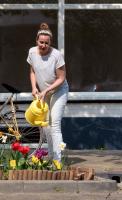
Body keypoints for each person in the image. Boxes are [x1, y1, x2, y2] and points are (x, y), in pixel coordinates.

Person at [27, 22, 69, 163]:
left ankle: (58, 160)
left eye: (46, 43)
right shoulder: (32, 52)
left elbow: (61, 78)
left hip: (58, 90)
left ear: (50, 42)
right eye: (41, 42)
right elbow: (32, 71)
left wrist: (45, 90)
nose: (43, 45)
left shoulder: (56, 55)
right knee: (45, 124)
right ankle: (51, 155)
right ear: (36, 41)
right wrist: (34, 87)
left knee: (54, 123)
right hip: (43, 93)